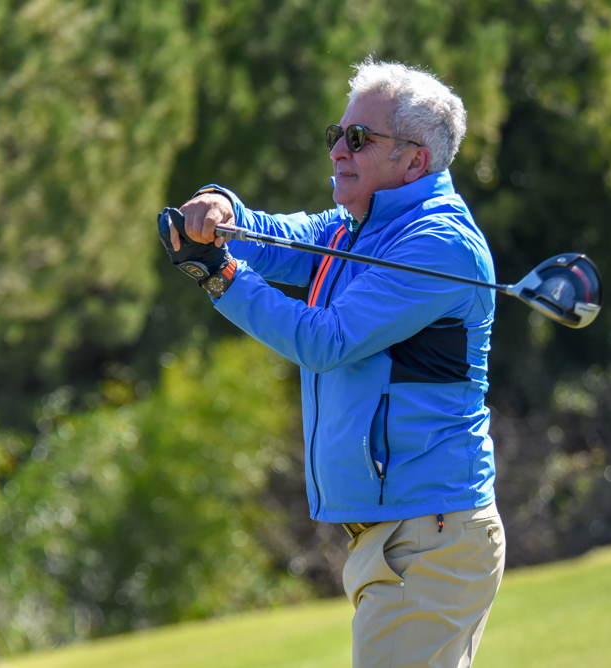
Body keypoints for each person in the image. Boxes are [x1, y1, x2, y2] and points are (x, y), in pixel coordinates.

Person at [157, 58, 505, 668]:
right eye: (337, 134)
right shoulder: (355, 227)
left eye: (359, 138)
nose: (339, 150)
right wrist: (219, 209)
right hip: (407, 536)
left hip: (427, 537)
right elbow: (269, 237)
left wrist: (220, 275)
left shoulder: (438, 244)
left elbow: (326, 340)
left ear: (415, 161)